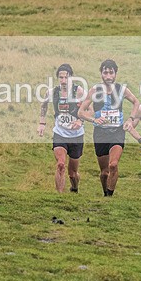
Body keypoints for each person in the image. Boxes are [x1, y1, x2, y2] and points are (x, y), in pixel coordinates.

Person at [78, 59, 139, 197]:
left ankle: (109, 196)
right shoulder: (95, 90)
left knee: (113, 165)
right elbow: (80, 112)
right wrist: (94, 119)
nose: (108, 76)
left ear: (115, 74)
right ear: (101, 74)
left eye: (111, 72)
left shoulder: (122, 89)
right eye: (105, 72)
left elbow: (136, 102)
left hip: (117, 132)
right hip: (100, 134)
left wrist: (130, 119)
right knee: (105, 172)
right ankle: (105, 192)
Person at [37, 64, 85, 193]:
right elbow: (44, 105)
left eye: (66, 77)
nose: (63, 80)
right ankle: (60, 196)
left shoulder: (78, 91)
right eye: (61, 77)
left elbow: (89, 109)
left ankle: (74, 187)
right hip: (59, 133)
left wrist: (80, 120)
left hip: (76, 136)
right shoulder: (53, 92)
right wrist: (42, 123)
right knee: (60, 165)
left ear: (71, 77)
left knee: (73, 173)